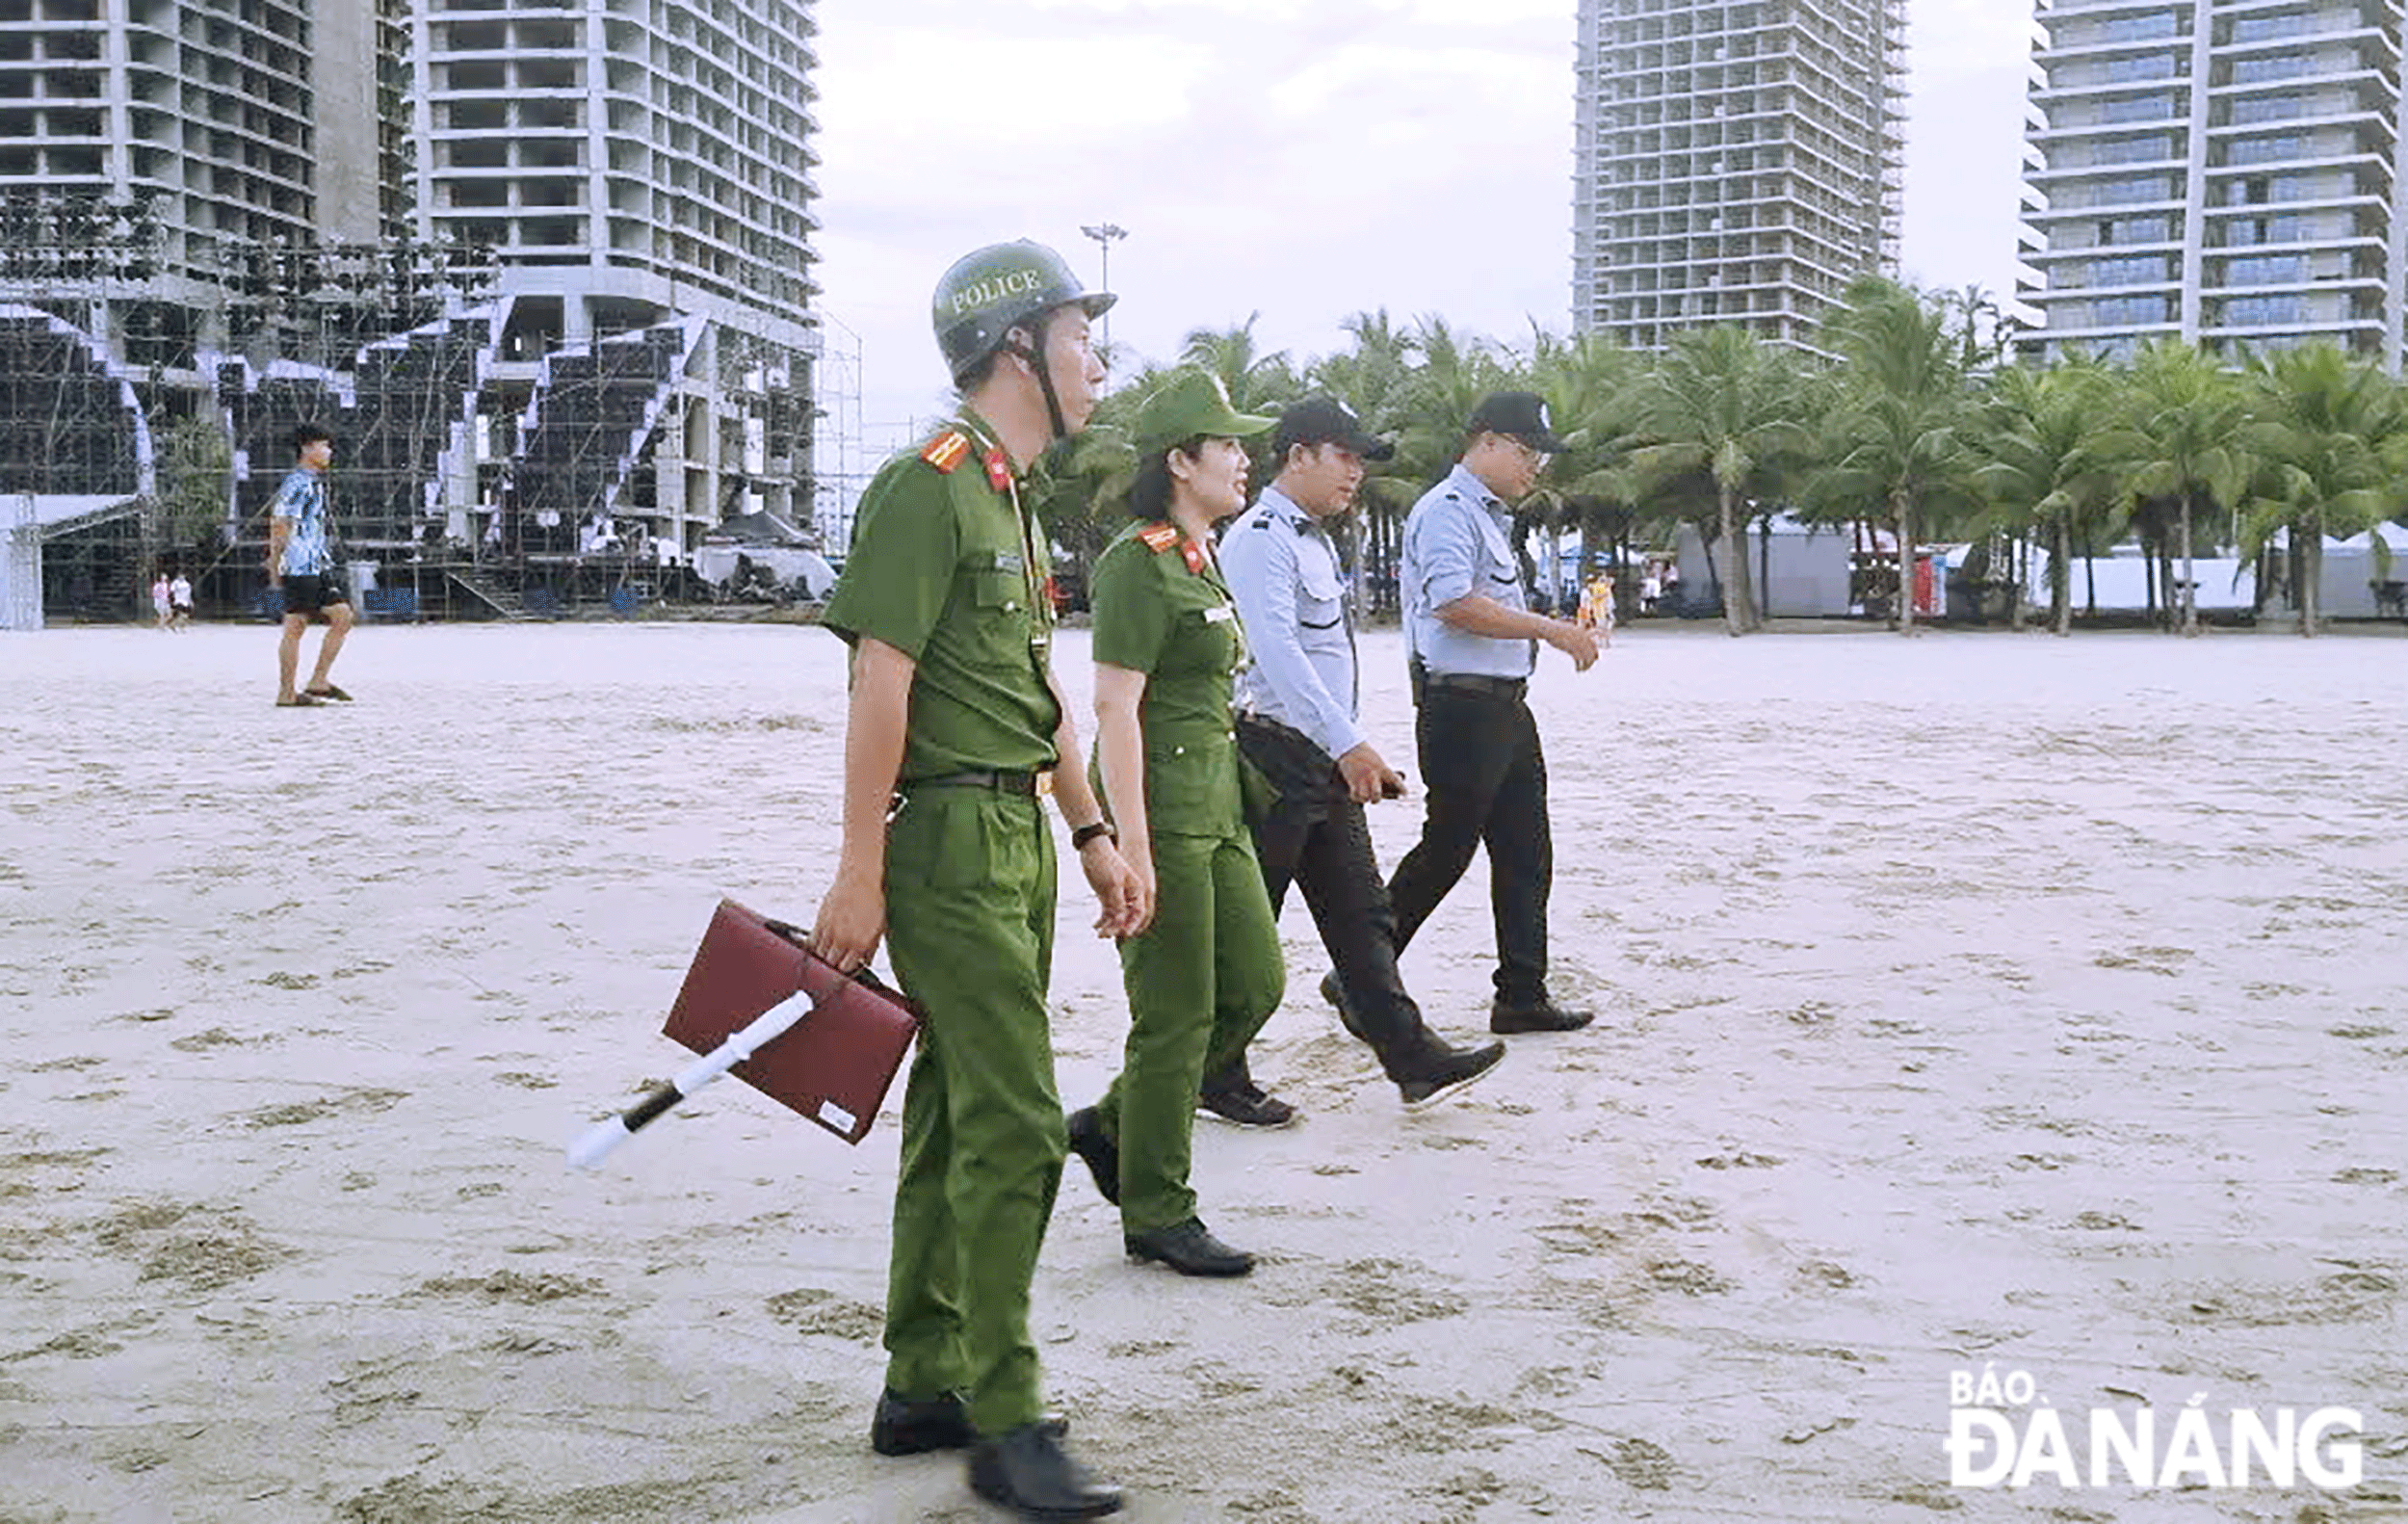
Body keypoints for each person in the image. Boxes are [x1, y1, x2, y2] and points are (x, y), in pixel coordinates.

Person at [810, 239, 1136, 1523]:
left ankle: (922, 1378)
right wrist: (858, 867)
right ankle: (1005, 1418)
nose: (1097, 361)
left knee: (955, 1111)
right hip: (943, 842)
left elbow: (1038, 689)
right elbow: (877, 681)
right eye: (1079, 337)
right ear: (1018, 352)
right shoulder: (926, 486)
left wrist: (1092, 824)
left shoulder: (1013, 496)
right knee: (1013, 1121)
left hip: (1018, 839)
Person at [1200, 397, 1505, 1127]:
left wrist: (1343, 747)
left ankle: (1412, 1060)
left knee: (1361, 914)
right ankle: (1212, 1070)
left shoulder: (1316, 540)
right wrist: (1349, 744)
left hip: (1322, 758)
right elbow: (1276, 655)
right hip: (1274, 755)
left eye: (1361, 460)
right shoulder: (1261, 538)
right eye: (1345, 456)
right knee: (1249, 928)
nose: (1356, 473)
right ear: (1298, 456)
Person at [1060, 368, 1285, 1279]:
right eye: (1228, 445)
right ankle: (1157, 1209)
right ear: (1180, 461)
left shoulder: (1201, 557)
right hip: (1159, 815)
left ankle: (1114, 1125)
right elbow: (1116, 710)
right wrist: (1130, 850)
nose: (1243, 460)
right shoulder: (1137, 562)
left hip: (1220, 810)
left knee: (1255, 986)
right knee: (1174, 1015)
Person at [1388, 392, 1601, 1035]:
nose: (1535, 467)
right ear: (1486, 442)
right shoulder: (1447, 512)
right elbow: (1454, 602)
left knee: (1526, 851)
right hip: (1461, 705)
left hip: (1505, 706)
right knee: (1446, 851)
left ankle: (1521, 995)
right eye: (1526, 452)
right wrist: (1552, 630)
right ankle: (1361, 970)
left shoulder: (1489, 517)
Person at [266, 425, 355, 707]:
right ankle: (288, 692)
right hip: (299, 564)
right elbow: (280, 524)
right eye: (323, 446)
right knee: (297, 625)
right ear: (306, 449)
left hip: (315, 563)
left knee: (340, 616)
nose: (329, 452)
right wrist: (274, 563)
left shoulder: (312, 482)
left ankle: (316, 682)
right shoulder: (297, 482)